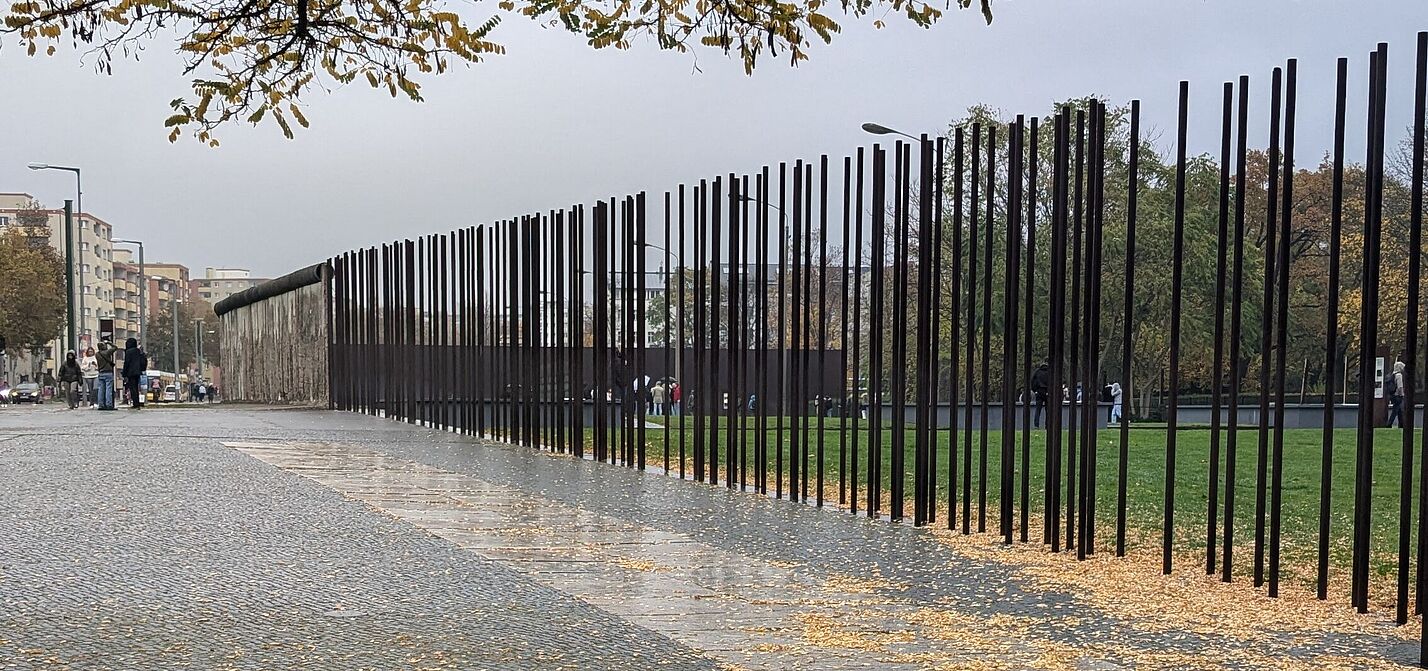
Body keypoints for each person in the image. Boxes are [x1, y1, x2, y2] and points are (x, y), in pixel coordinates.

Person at [121, 338, 148, 410]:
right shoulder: (138, 351)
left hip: (130, 372)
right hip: (138, 371)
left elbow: (126, 363)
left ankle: (135, 404)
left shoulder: (128, 352)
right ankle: (137, 403)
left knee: (132, 388)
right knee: (136, 387)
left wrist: (124, 373)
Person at [95, 341, 117, 411]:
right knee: (108, 389)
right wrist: (109, 343)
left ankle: (101, 404)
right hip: (108, 372)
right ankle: (109, 404)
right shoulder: (107, 352)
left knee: (101, 389)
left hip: (101, 372)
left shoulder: (97, 354)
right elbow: (115, 347)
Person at [1030, 362, 1050, 428]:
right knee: (1048, 410)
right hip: (1047, 392)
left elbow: (1033, 381)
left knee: (1038, 410)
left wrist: (1035, 390)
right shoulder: (1050, 372)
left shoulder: (1037, 372)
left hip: (1039, 391)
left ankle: (1036, 425)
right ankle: (1047, 425)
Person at [1388, 360, 1407, 428]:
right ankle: (1389, 424)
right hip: (1398, 395)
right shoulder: (1399, 375)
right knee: (1395, 411)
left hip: (1393, 395)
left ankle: (1401, 424)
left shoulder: (1393, 374)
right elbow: (1400, 386)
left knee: (1399, 410)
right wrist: (1401, 394)